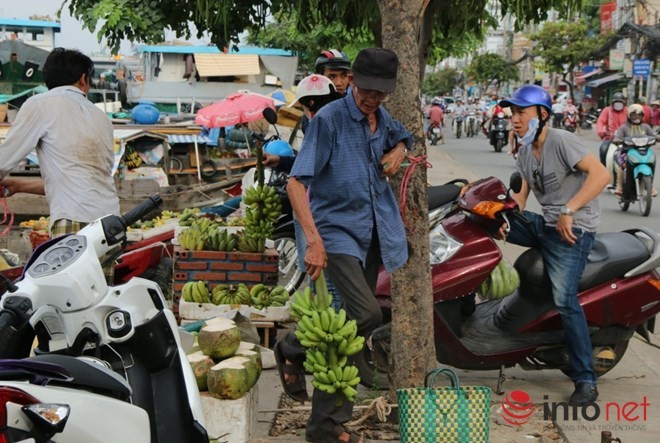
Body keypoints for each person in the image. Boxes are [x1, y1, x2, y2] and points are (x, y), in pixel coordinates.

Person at [277, 48, 412, 443]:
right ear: (352, 80)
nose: (372, 98)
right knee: (365, 314)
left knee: (345, 333)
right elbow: (296, 183)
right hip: (334, 232)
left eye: (381, 93)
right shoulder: (330, 121)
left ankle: (326, 426)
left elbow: (404, 133)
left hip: (370, 233)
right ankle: (292, 345)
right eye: (367, 89)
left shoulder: (382, 119)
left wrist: (399, 150)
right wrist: (314, 241)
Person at [499, 84, 610, 405]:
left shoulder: (561, 141)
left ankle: (586, 380)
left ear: (542, 115)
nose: (514, 119)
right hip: (545, 225)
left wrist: (569, 210)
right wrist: (498, 217)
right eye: (512, 113)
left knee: (565, 300)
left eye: (521, 113)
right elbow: (519, 202)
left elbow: (601, 176)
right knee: (488, 221)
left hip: (573, 229)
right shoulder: (523, 151)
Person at [0, 48, 119, 281]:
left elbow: (4, 159)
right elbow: (77, 180)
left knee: (67, 300)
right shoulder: (101, 117)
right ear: (83, 79)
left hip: (72, 222)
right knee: (98, 301)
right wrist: (19, 185)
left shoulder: (40, 105)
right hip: (109, 222)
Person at [612, 103, 658, 197]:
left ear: (642, 116)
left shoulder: (646, 127)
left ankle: (651, 186)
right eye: (634, 114)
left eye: (639, 115)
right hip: (627, 152)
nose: (637, 117)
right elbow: (617, 137)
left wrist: (657, 137)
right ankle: (619, 187)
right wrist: (617, 140)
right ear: (629, 115)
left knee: (652, 160)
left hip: (644, 151)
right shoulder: (624, 127)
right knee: (623, 166)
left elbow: (653, 135)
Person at [596, 92, 627, 164]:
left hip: (626, 139)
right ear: (612, 103)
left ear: (624, 103)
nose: (618, 104)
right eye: (616, 102)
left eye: (620, 102)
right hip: (610, 138)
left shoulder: (628, 111)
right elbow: (600, 121)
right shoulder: (607, 110)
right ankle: (604, 169)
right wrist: (601, 132)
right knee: (603, 150)